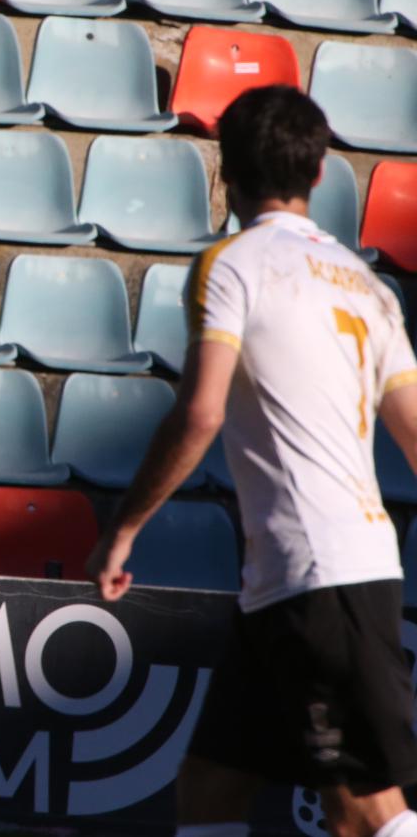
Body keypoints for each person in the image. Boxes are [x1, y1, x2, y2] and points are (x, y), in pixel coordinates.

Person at [85, 86, 417, 837]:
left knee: (365, 810)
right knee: (211, 788)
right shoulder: (368, 286)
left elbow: (200, 411)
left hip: (317, 576)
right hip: (301, 577)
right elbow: (415, 433)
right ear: (322, 174)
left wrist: (123, 529)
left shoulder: (231, 267)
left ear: (225, 175)